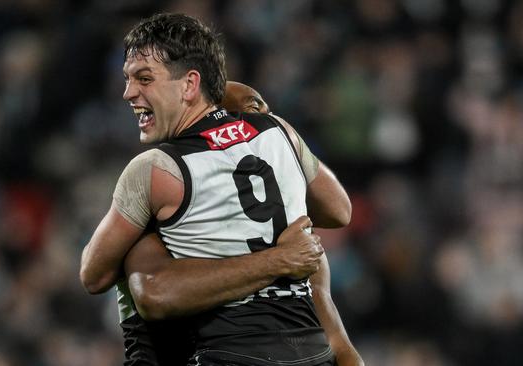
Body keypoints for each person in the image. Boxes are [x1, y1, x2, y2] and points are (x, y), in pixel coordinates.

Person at [80, 13, 360, 365]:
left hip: (230, 353)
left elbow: (94, 274)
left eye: (144, 79)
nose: (128, 93)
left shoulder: (156, 171)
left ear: (188, 85)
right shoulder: (278, 131)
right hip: (310, 352)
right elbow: (338, 210)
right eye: (128, 79)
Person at [116, 81, 364, 366]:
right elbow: (149, 294)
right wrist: (276, 261)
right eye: (251, 113)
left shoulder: (296, 237)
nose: (262, 125)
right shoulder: (160, 221)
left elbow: (337, 342)